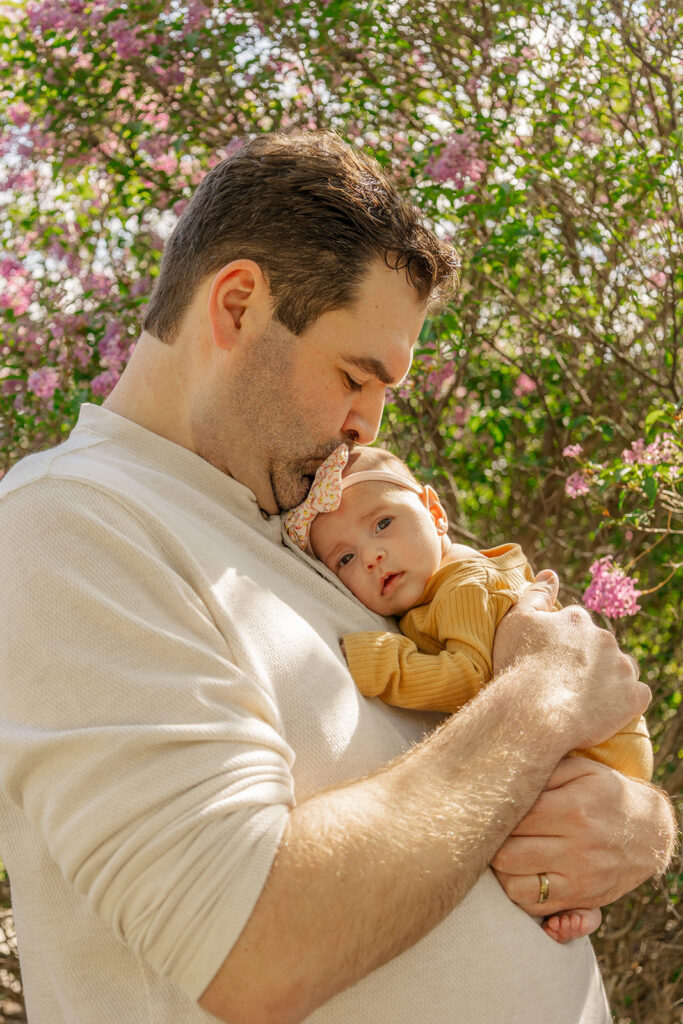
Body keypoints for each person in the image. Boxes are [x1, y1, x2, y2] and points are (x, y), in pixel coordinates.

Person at [0, 130, 674, 1024]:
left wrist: (637, 826)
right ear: (237, 306)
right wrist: (547, 698)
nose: (366, 425)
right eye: (357, 376)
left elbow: (463, 769)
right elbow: (248, 947)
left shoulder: (314, 527)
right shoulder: (71, 523)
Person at [284, 442, 654, 944]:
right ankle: (583, 905)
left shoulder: (464, 583)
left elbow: (467, 677)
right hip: (591, 742)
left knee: (520, 805)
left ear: (435, 512)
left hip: (601, 743)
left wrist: (383, 662)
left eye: (383, 524)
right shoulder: (430, 592)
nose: (371, 555)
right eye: (345, 557)